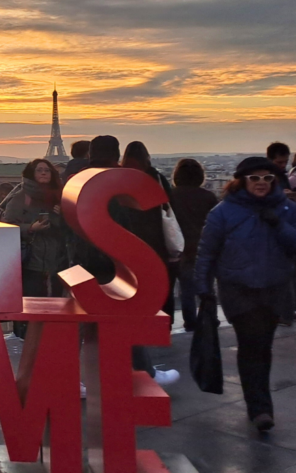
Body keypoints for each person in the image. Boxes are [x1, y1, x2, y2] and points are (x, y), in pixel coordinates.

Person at [195, 157, 296, 431]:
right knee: (252, 343)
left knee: (262, 345)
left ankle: (259, 403)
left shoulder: (286, 209)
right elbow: (207, 252)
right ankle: (260, 408)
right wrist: (202, 288)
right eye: (255, 178)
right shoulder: (223, 213)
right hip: (238, 289)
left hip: (274, 288)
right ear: (242, 181)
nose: (262, 183)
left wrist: (278, 224)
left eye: (267, 178)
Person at [71, 135, 179, 385]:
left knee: (81, 319)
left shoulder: (77, 180)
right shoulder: (118, 181)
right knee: (126, 315)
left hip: (80, 258)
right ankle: (145, 372)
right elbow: (124, 220)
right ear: (115, 154)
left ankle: (69, 378)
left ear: (90, 155)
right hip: (111, 258)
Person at [0, 159, 69, 338]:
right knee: (32, 303)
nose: (44, 173)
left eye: (47, 170)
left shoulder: (60, 197)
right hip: (30, 261)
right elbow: (6, 227)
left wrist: (61, 217)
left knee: (54, 305)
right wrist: (31, 228)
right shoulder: (21, 197)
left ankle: (49, 338)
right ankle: (29, 338)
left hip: (57, 260)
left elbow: (69, 230)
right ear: (32, 174)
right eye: (39, 170)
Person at [121, 141, 178, 321]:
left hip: (131, 238)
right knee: (161, 283)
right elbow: (169, 206)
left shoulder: (121, 179)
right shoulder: (157, 178)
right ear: (147, 157)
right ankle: (164, 323)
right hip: (156, 238)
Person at [170, 159, 218, 332]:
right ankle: (211, 317)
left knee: (185, 290)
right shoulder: (208, 197)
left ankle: (189, 321)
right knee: (206, 286)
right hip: (202, 247)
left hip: (176, 248)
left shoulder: (170, 196)